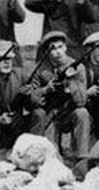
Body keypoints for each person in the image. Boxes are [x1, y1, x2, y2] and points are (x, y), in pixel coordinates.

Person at [23, 31, 91, 160]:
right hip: (49, 114)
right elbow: (30, 99)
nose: (58, 52)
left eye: (60, 47)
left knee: (82, 113)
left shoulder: (78, 67)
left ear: (65, 47)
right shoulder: (40, 70)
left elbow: (81, 101)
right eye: (53, 49)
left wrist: (71, 81)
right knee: (51, 156)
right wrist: (46, 90)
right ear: (47, 52)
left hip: (68, 113)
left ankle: (82, 158)